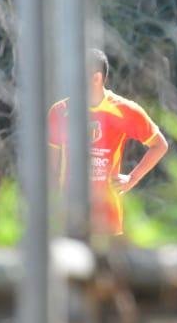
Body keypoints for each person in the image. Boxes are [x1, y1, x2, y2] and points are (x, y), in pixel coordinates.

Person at [48, 49, 169, 236]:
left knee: (106, 265)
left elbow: (160, 145)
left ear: (96, 78)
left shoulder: (125, 110)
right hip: (68, 215)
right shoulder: (60, 110)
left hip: (107, 216)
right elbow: (51, 166)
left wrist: (133, 178)